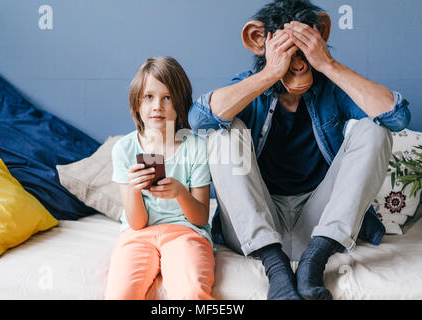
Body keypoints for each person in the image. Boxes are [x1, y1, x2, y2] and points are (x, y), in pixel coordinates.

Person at [188, 0, 411, 300]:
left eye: (304, 50)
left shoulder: (329, 88)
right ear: (259, 42)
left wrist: (327, 64)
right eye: (288, 51)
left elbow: (396, 116)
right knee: (223, 133)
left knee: (374, 128)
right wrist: (270, 72)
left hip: (319, 222)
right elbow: (199, 119)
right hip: (260, 220)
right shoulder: (252, 85)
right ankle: (275, 267)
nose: (299, 64)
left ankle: (314, 260)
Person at [105, 56, 215, 300]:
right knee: (120, 294)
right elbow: (137, 223)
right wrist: (133, 190)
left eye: (168, 97)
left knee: (191, 293)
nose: (158, 106)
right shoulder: (124, 149)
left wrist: (180, 192)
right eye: (149, 97)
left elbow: (200, 218)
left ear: (180, 104)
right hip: (138, 235)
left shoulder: (195, 147)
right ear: (136, 104)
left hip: (185, 231)